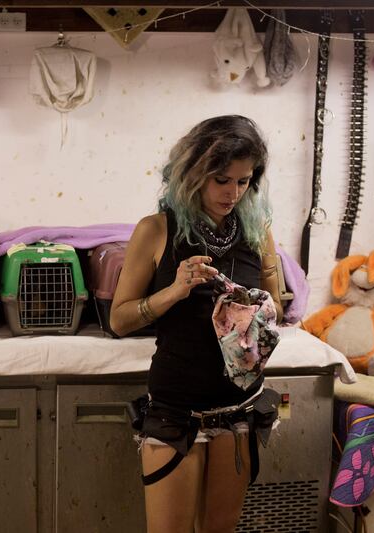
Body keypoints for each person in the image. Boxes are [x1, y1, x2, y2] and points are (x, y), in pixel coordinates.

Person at [110, 115, 283, 533]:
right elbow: (119, 320)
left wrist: (253, 309)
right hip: (175, 411)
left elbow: (275, 305)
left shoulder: (257, 230)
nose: (233, 193)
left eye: (243, 181)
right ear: (193, 173)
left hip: (238, 409)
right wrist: (173, 291)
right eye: (222, 179)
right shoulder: (156, 230)